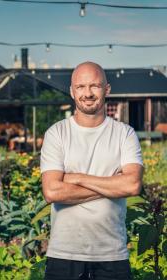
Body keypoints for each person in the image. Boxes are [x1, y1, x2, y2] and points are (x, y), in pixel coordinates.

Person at [40, 62, 143, 280]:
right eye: (80, 87)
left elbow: (132, 185)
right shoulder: (56, 134)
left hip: (111, 254)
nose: (87, 93)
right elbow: (52, 192)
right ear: (71, 91)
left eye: (95, 86)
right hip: (64, 253)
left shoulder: (124, 134)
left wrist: (76, 178)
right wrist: (113, 185)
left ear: (107, 89)